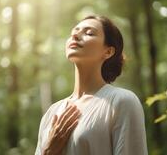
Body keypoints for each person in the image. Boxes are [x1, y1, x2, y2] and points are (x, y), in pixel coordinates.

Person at [34, 15, 148, 155]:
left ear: (108, 52)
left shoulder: (122, 102)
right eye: (73, 32)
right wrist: (49, 151)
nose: (75, 35)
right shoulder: (52, 113)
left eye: (89, 33)